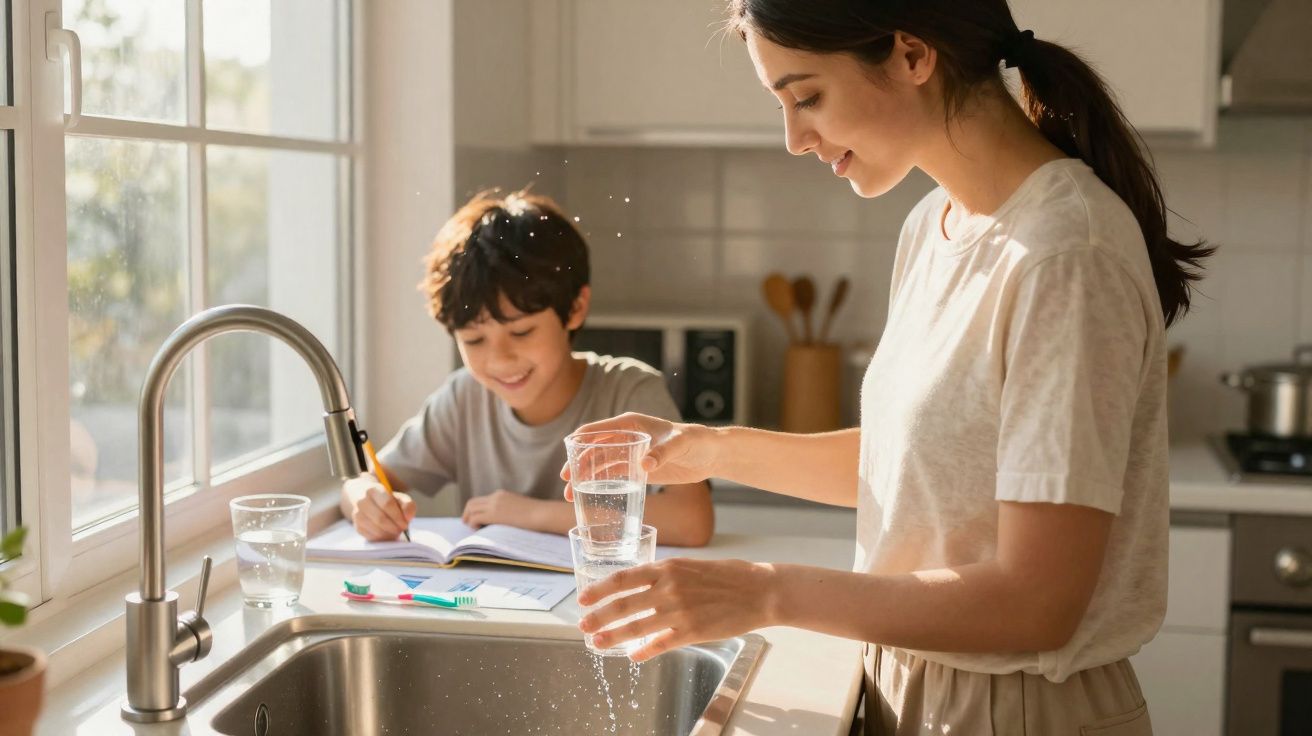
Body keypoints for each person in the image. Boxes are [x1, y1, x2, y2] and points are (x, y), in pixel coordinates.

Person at [564, 2, 1212, 733]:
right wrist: (703, 448)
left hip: (1018, 711)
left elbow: (1038, 602)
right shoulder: (933, 227)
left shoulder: (1065, 254)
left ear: (911, 56)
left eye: (806, 97)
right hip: (905, 682)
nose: (794, 138)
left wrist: (764, 591)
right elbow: (926, 469)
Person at [342, 188, 714, 547]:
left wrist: (529, 514)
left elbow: (691, 521)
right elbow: (368, 479)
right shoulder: (463, 398)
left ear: (575, 309)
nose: (500, 358)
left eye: (521, 332)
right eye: (474, 340)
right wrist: (364, 497)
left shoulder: (630, 392)